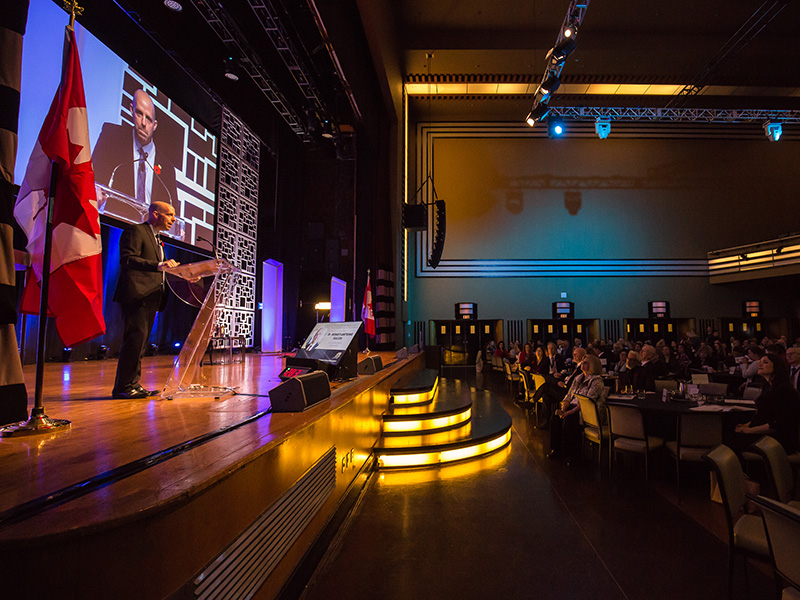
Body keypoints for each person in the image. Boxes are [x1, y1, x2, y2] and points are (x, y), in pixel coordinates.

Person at [112, 202, 179, 399]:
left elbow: (161, 268)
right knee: (134, 342)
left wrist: (184, 275)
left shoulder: (157, 238)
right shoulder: (136, 231)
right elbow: (127, 259)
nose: (173, 219)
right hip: (137, 295)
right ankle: (123, 387)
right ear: (155, 214)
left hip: (151, 296)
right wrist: (158, 265)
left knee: (140, 344)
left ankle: (133, 384)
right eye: (170, 215)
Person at [92, 89, 179, 207]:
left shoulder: (167, 169)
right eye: (139, 114)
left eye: (148, 119)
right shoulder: (111, 137)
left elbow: (173, 211)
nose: (143, 123)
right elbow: (93, 181)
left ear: (154, 125)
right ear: (131, 110)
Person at [731, 353, 800, 456]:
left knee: (730, 441)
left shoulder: (784, 390)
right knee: (729, 432)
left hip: (778, 440)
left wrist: (749, 430)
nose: (760, 364)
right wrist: (747, 425)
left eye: (765, 362)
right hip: (768, 436)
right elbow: (765, 416)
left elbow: (779, 424)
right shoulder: (769, 387)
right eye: (760, 362)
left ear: (776, 367)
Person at [547, 354, 607, 463]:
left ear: (592, 365)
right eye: (582, 362)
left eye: (586, 363)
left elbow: (588, 401)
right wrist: (564, 407)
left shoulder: (596, 381)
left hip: (587, 410)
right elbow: (569, 395)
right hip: (573, 406)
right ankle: (556, 449)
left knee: (569, 420)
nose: (582, 364)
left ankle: (572, 455)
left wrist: (569, 412)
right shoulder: (578, 378)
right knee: (555, 417)